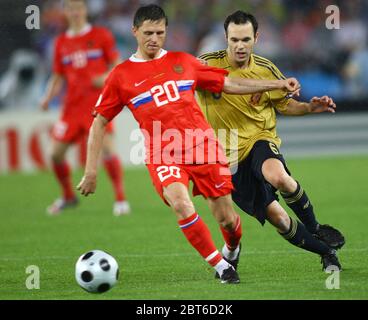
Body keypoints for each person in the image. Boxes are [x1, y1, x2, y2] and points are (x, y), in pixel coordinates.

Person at [77, 4, 300, 283]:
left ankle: (231, 248)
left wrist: (275, 84)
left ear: (166, 31)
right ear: (135, 31)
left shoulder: (184, 61)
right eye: (147, 33)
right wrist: (91, 171)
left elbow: (229, 83)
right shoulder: (121, 76)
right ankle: (222, 268)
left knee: (227, 220)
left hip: (203, 147)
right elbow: (98, 122)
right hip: (163, 153)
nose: (154, 39)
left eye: (159, 32)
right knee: (181, 204)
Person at [196, 10, 345, 271]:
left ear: (256, 37)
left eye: (245, 39)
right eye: (234, 40)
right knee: (279, 219)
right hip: (227, 158)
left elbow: (286, 105)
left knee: (279, 177)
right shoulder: (206, 64)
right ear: (226, 38)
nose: (239, 46)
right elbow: (222, 84)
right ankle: (326, 251)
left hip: (259, 139)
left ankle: (315, 227)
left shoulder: (266, 68)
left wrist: (309, 107)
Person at [40, 0, 130, 216]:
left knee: (107, 149)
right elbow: (58, 75)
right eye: (71, 9)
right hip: (71, 107)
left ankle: (120, 198)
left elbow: (117, 67)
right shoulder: (61, 42)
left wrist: (103, 78)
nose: (75, 12)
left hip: (98, 106)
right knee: (54, 154)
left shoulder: (101, 35)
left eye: (79, 8)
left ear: (85, 10)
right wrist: (46, 97)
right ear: (66, 12)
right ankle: (69, 196)